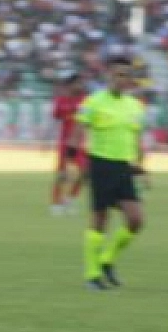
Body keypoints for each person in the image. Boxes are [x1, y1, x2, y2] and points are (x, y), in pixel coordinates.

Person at [77, 55, 148, 290]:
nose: (122, 79)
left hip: (124, 167)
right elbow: (78, 134)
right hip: (100, 164)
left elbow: (136, 137)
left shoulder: (134, 106)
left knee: (136, 219)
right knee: (100, 219)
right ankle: (92, 274)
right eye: (118, 74)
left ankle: (107, 259)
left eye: (126, 75)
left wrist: (142, 165)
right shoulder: (93, 102)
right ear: (108, 75)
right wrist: (77, 166)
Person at [50, 72, 88, 216]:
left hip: (81, 143)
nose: (81, 86)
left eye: (82, 83)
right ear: (70, 85)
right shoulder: (61, 100)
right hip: (65, 143)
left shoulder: (86, 100)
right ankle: (55, 203)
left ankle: (71, 199)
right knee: (63, 174)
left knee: (84, 173)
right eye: (78, 83)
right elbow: (55, 118)